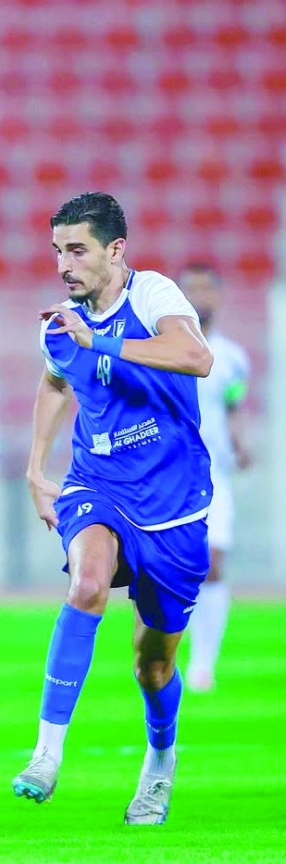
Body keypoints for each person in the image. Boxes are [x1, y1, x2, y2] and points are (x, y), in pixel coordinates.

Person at [14, 192, 213, 825]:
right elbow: (54, 379)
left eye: (78, 251)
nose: (65, 265)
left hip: (174, 502)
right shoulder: (60, 323)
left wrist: (101, 341)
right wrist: (36, 466)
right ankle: (46, 755)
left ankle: (159, 763)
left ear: (116, 251)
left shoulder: (153, 296)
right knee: (88, 584)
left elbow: (195, 358)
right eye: (58, 252)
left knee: (152, 665)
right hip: (99, 483)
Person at [177, 262, 251, 693]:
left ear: (218, 296)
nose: (199, 297)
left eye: (206, 289)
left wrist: (240, 445)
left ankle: (204, 665)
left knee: (215, 563)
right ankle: (170, 651)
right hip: (170, 475)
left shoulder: (233, 359)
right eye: (191, 289)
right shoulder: (161, 349)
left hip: (214, 475)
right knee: (177, 570)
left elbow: (233, 406)